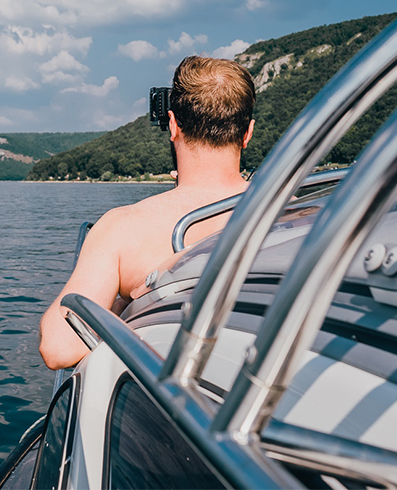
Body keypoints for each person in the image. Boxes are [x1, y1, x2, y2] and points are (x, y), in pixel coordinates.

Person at [38, 55, 256, 370]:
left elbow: (59, 348)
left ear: (172, 125)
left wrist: (126, 305)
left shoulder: (125, 228)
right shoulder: (298, 213)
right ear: (247, 133)